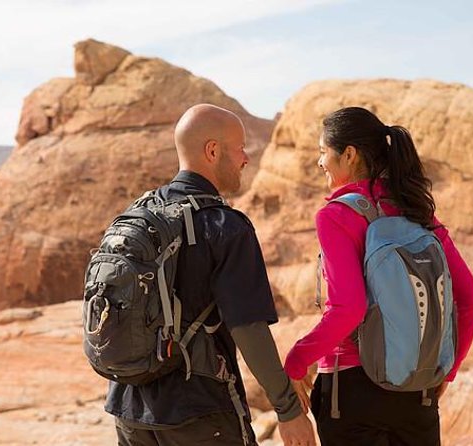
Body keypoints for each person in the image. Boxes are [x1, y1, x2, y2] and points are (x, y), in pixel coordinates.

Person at [104, 104, 315, 446]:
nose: (246, 158)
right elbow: (248, 329)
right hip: (199, 413)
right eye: (240, 148)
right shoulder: (224, 225)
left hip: (129, 409)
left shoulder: (137, 215)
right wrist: (289, 410)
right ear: (212, 151)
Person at [284, 106, 473, 446]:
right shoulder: (417, 210)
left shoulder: (336, 215)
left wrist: (297, 359)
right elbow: (472, 301)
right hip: (416, 388)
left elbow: (349, 308)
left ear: (349, 154)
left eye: (323, 152)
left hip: (351, 392)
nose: (320, 162)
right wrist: (445, 372)